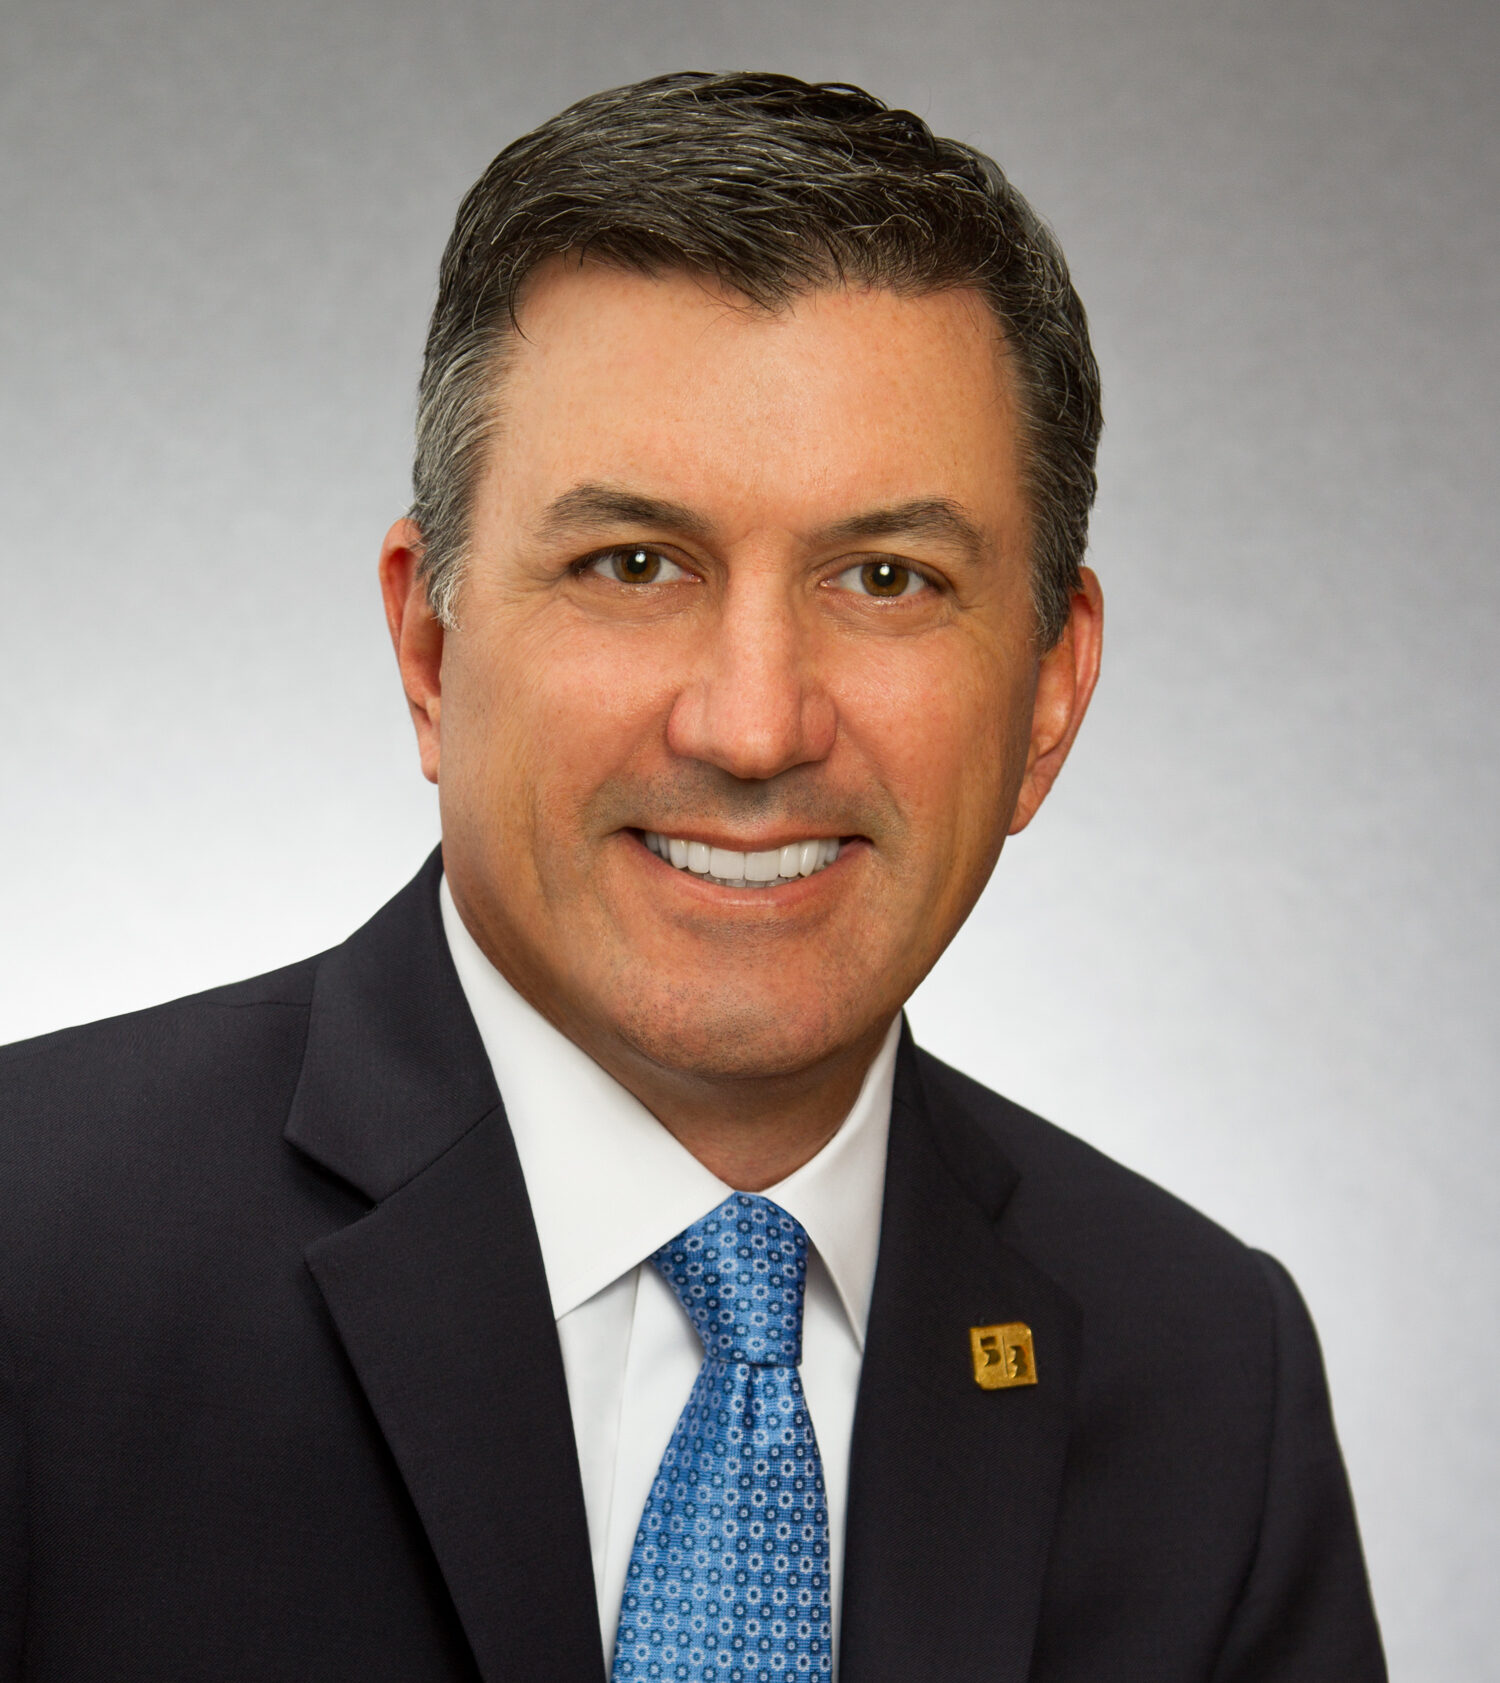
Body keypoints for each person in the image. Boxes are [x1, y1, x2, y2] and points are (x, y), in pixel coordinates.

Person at [0, 72, 1384, 1681]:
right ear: (431, 646)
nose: (753, 725)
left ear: (1049, 695)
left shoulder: (1210, 1377)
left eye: (887, 578)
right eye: (634, 564)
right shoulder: (32, 1253)